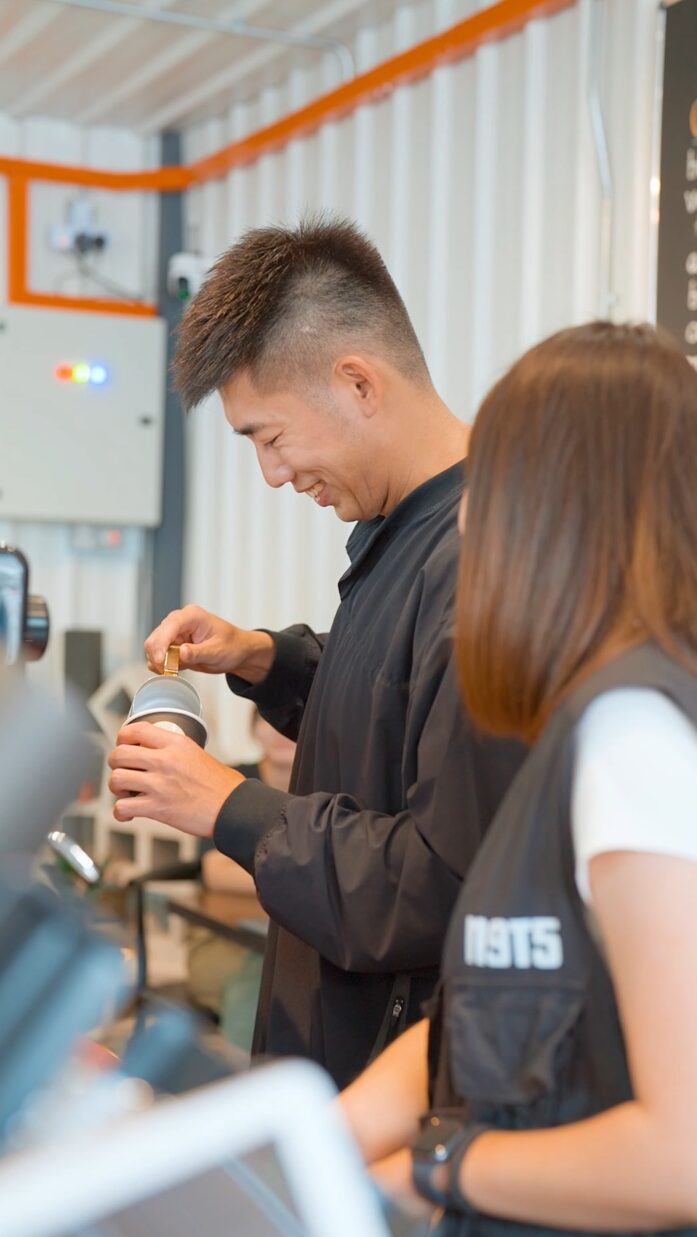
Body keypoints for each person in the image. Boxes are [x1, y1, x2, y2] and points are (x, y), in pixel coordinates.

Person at [107, 217, 525, 1088]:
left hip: (392, 1090)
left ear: (357, 382)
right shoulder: (403, 529)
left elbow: (435, 881)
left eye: (269, 435)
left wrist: (227, 803)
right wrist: (266, 659)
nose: (271, 473)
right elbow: (393, 702)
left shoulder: (482, 556)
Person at [340, 321, 697, 1234]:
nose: (464, 517)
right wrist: (321, 1136)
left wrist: (439, 1168)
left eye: (487, 485)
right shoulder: (583, 724)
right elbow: (503, 1022)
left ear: (557, 508)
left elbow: (680, 1153)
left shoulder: (632, 734)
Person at [187, 708, 296, 1050]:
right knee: (260, 982)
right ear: (254, 729)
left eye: (288, 720)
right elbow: (214, 871)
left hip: (288, 940)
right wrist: (298, 877)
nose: (277, 729)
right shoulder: (232, 781)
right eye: (267, 719)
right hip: (226, 942)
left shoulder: (322, 791)